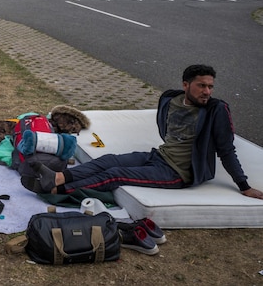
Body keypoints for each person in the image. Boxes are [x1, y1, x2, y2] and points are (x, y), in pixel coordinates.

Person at [23, 64, 263, 200]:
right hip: (159, 156)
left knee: (116, 174)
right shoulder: (171, 99)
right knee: (108, 159)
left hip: (178, 172)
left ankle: (56, 190)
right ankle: (58, 176)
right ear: (185, 85)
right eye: (202, 85)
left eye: (210, 86)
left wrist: (243, 186)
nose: (207, 91)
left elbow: (226, 150)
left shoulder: (216, 110)